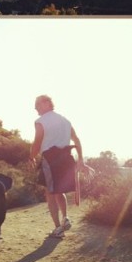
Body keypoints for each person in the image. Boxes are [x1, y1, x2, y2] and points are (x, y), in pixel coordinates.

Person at [29, 95, 88, 239]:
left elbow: (37, 142)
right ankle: (65, 218)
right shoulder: (65, 120)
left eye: (38, 104)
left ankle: (57, 228)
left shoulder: (40, 121)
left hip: (51, 159)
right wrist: (80, 158)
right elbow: (76, 139)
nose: (35, 107)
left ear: (47, 103)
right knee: (58, 190)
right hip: (67, 158)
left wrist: (31, 157)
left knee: (50, 193)